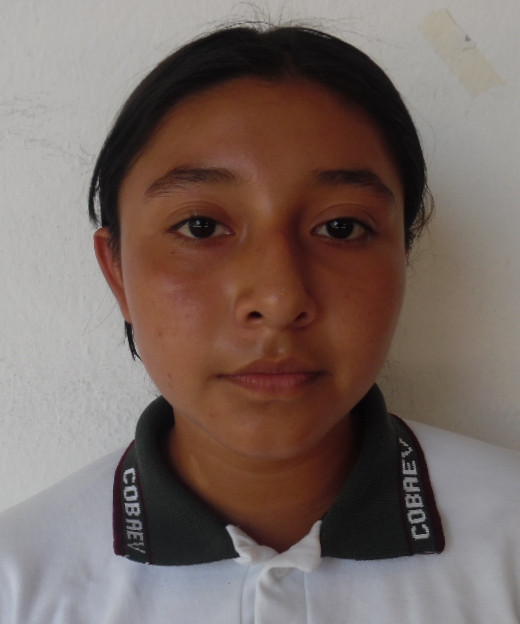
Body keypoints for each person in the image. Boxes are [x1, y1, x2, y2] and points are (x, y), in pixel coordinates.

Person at [1, 23, 519, 624]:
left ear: (403, 256)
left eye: (341, 227)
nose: (278, 298)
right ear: (117, 271)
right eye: (201, 227)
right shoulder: (19, 583)